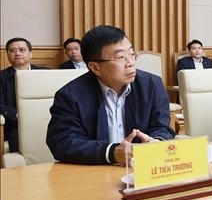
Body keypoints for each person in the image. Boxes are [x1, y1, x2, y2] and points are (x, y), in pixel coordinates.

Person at [46, 26, 174, 165]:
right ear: (95, 67)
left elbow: (162, 127)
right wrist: (112, 153)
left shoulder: (151, 85)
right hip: (95, 170)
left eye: (132, 54)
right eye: (120, 57)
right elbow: (63, 142)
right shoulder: (70, 95)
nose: (131, 63)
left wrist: (156, 143)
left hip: (140, 168)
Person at [1, 37, 48, 152]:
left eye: (22, 50)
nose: (17, 53)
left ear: (30, 54)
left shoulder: (45, 73)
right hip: (16, 124)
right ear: (7, 55)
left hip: (46, 120)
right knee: (17, 136)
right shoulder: (1, 77)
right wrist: (17, 116)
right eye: (12, 51)